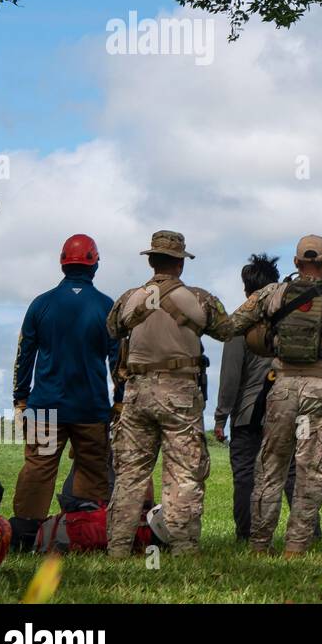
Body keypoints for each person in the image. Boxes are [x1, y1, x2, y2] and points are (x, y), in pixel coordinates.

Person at [226, 236, 322, 557]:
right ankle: (296, 546)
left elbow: (232, 325)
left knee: (270, 465)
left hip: (283, 387)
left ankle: (260, 545)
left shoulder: (271, 294)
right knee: (311, 468)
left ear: (295, 262)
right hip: (321, 389)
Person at [105, 230, 233, 557]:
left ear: (150, 260)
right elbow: (227, 330)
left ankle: (118, 548)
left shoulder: (128, 299)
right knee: (184, 473)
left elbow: (111, 328)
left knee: (130, 474)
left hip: (136, 394)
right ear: (180, 264)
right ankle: (183, 549)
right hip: (179, 394)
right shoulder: (200, 299)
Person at [8, 234, 120, 551]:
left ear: (62, 263)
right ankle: (82, 533)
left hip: (45, 409)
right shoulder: (106, 307)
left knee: (38, 470)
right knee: (92, 469)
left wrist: (20, 397)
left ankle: (26, 536)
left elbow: (24, 354)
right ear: (94, 264)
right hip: (91, 409)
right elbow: (118, 360)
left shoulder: (41, 304)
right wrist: (120, 400)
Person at [214, 253, 319, 543]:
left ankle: (247, 535)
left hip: (248, 414)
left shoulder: (240, 323)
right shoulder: (291, 317)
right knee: (293, 474)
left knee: (246, 476)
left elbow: (231, 377)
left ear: (247, 290)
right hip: (290, 408)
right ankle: (308, 534)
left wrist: (221, 416)